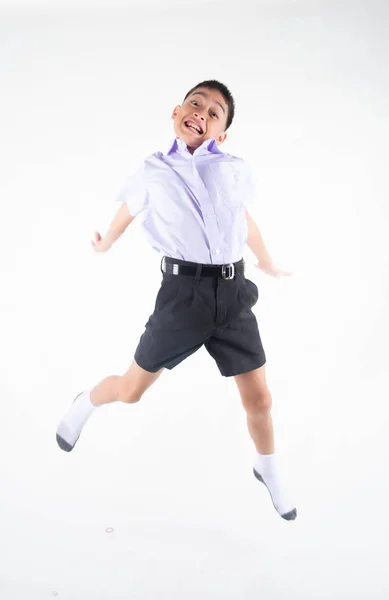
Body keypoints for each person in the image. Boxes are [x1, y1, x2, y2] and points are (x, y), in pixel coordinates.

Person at [56, 79, 297, 521]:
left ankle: (267, 467)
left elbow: (247, 225)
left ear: (221, 134)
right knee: (131, 391)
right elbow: (127, 212)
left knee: (260, 400)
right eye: (195, 103)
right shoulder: (153, 170)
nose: (201, 113)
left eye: (214, 113)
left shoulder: (231, 168)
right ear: (176, 111)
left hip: (233, 294)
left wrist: (267, 262)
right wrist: (104, 243)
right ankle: (86, 401)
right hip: (181, 298)